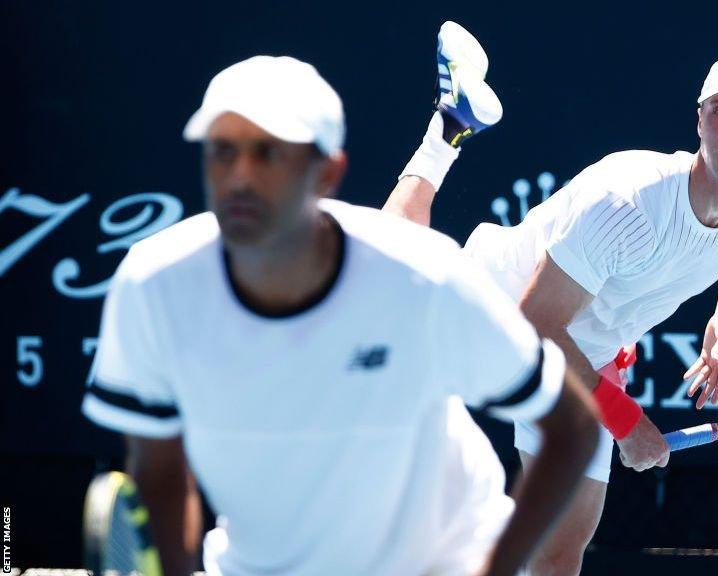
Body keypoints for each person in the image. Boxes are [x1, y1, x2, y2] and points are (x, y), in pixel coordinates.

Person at [81, 53, 600, 576]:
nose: (239, 177)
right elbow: (159, 465)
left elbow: (574, 427)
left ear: (328, 172)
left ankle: (446, 132)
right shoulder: (152, 285)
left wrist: (493, 568)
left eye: (267, 153)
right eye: (222, 151)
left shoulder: (426, 280)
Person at [385, 24, 718, 575]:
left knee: (558, 555)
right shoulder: (628, 204)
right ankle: (449, 126)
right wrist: (625, 419)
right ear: (698, 120)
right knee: (389, 270)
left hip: (578, 351)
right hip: (506, 301)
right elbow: (533, 325)